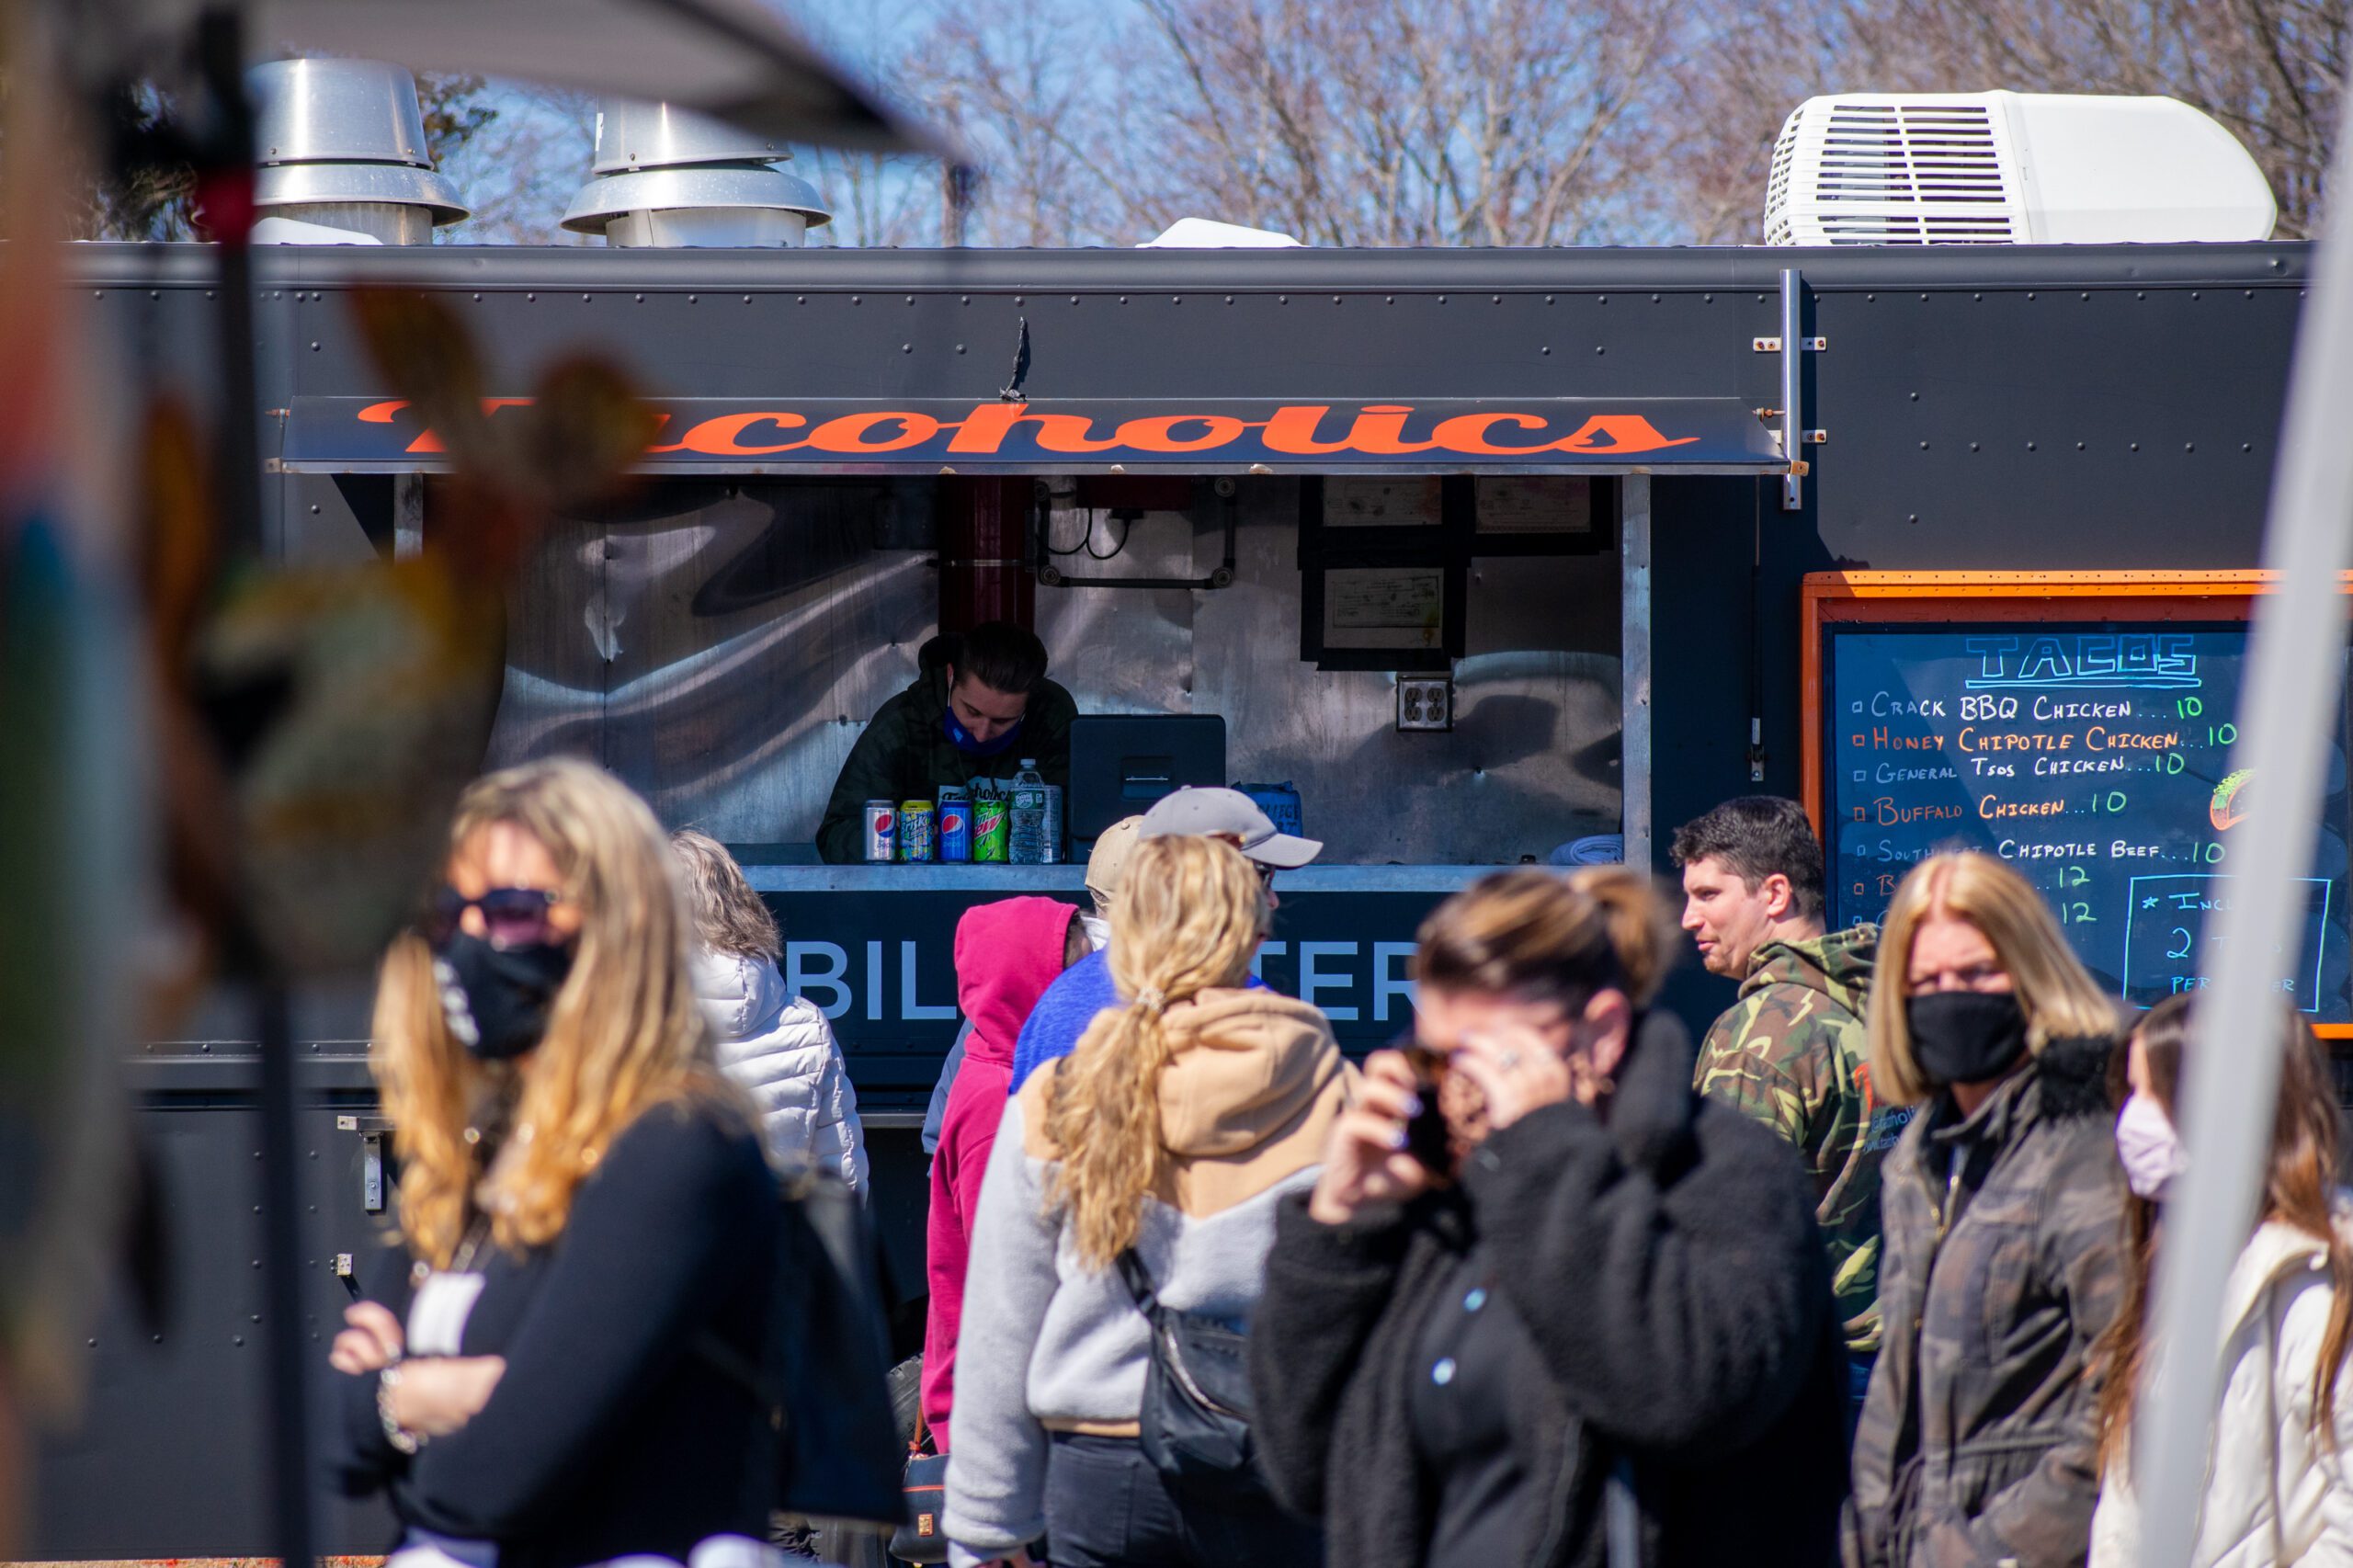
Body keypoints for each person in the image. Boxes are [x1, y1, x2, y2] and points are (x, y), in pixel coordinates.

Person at [1249, 867, 1848, 1568]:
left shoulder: (1726, 1173)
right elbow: (1302, 1469)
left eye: (1493, 1055)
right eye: (1434, 1056)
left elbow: (1684, 1392)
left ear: (1600, 1036)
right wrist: (1341, 1233)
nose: (1461, 1087)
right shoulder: (1442, 1197)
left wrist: (1543, 1148)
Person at [324, 758, 778, 1568]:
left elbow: (496, 1478)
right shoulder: (469, 1151)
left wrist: (393, 1393)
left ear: (618, 925)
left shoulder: (677, 1145)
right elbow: (335, 1441)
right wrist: (422, 1400)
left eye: (511, 911)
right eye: (448, 911)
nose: (470, 943)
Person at [945, 835, 1347, 1568]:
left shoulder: (1057, 1097)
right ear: (1256, 934)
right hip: (1279, 1457)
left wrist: (983, 1525)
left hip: (1101, 1473)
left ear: (1121, 935)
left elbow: (1004, 1315)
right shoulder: (1329, 1089)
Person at [1847, 850, 2128, 1568]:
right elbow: (1898, 1378)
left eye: (1977, 974)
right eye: (1926, 982)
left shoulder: (2087, 1140)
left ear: (2031, 973)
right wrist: (1866, 1534)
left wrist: (1990, 1551)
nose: (1952, 997)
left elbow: (2130, 1393)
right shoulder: (1921, 1153)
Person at [2088, 995, 2353, 1567]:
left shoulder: (2318, 1287)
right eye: (2128, 1094)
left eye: (2154, 1094)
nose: (2131, 1121)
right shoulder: (2171, 1270)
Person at [1673, 796, 1912, 1397]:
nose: (1688, 920)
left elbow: (1726, 1222)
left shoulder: (1759, 1036)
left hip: (1819, 1364)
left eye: (1708, 895)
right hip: (1920, 1346)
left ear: (1775, 895)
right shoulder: (1892, 1000)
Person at [1006, 789, 1316, 1094]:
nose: (1273, 900)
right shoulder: (1264, 1023)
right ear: (1210, 884)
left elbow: (1023, 1139)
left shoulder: (1056, 1004)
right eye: (1264, 877)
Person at [924, 896, 1090, 1450]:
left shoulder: (1005, 1065)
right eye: (1078, 971)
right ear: (1036, 987)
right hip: (1001, 1420)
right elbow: (1003, 1278)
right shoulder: (1000, 1104)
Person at [671, 828, 867, 1197]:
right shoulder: (807, 1024)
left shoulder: (630, 1023)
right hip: (772, 1249)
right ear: (741, 904)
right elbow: (843, 1178)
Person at [815, 623, 1077, 863]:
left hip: (1028, 897)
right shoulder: (902, 723)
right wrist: (898, 838)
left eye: (1003, 720)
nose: (982, 734)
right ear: (951, 676)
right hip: (917, 897)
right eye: (972, 712)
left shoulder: (1051, 720)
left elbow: (1084, 830)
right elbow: (835, 835)